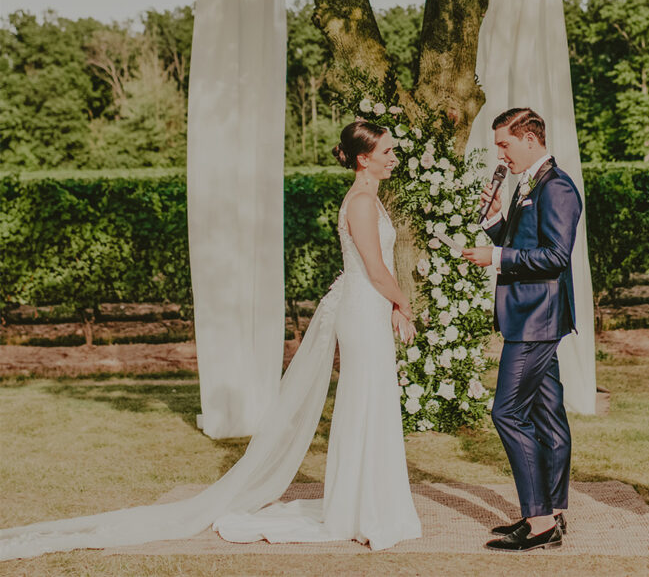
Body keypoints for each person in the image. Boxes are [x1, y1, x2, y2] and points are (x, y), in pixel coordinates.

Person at [0, 119, 421, 559]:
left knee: (372, 402)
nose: (394, 157)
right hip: (363, 307)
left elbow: (377, 266)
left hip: (371, 306)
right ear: (363, 158)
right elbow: (374, 268)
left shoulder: (370, 197)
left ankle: (365, 502)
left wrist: (391, 304)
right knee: (365, 402)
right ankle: (361, 508)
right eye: (387, 150)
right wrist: (404, 305)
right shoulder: (360, 202)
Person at [462, 107, 582, 553]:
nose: (500, 153)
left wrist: (493, 258)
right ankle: (550, 513)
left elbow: (554, 257)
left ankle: (538, 521)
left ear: (530, 139)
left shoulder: (558, 187)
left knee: (507, 412)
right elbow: (523, 244)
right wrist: (496, 223)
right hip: (528, 316)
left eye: (504, 143)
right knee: (548, 417)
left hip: (538, 319)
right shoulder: (526, 185)